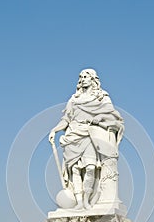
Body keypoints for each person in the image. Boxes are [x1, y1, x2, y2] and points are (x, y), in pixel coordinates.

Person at [49, 69, 124, 210]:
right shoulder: (74, 99)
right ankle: (79, 202)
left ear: (93, 80)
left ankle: (86, 200)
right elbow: (66, 120)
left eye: (86, 77)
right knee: (76, 170)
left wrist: (100, 118)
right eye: (81, 77)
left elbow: (113, 117)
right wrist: (54, 130)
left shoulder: (102, 97)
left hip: (90, 134)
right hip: (73, 135)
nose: (83, 79)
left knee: (90, 168)